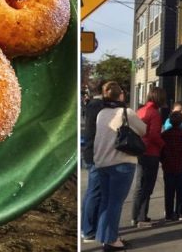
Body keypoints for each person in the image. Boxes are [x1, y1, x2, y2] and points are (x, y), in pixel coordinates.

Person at [93, 81, 146, 251]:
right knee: (115, 203)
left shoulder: (101, 113)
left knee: (106, 201)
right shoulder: (127, 113)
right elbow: (143, 130)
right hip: (122, 162)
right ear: (121, 95)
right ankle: (111, 240)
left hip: (102, 162)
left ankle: (104, 236)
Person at [131, 87, 167, 228]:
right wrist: (163, 145)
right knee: (147, 186)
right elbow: (153, 135)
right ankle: (142, 217)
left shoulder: (140, 111)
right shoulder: (155, 113)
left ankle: (135, 216)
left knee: (139, 185)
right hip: (151, 152)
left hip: (139, 150)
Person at [80, 81, 107, 242]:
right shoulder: (99, 106)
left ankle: (86, 227)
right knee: (95, 192)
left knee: (92, 191)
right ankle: (89, 230)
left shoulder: (92, 105)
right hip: (96, 153)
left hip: (92, 152)